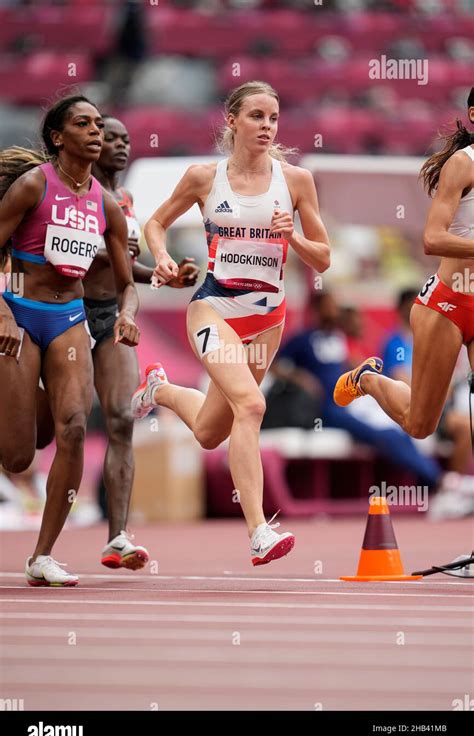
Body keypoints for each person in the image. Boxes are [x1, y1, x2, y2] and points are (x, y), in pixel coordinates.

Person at [132, 80, 331, 565]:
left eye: (274, 118)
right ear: (232, 121)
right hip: (214, 308)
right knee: (252, 404)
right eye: (257, 116)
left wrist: (296, 240)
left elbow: (323, 258)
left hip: (267, 320)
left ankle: (157, 390)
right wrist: (160, 258)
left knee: (208, 432)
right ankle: (259, 530)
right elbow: (155, 223)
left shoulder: (296, 181)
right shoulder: (205, 177)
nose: (267, 126)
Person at [0, 95, 140, 586]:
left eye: (99, 123)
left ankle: (42, 556)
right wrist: (1, 310)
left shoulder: (106, 203)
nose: (96, 131)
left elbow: (126, 282)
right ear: (59, 138)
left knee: (76, 428)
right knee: (17, 456)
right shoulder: (33, 185)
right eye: (83, 123)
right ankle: (23, 395)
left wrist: (126, 314)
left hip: (68, 319)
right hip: (19, 313)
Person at [334, 88, 474, 517]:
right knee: (420, 424)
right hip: (447, 305)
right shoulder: (462, 163)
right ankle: (370, 381)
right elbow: (432, 238)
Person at [86, 114, 199, 570]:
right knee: (51, 432)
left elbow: (121, 266)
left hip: (114, 315)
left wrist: (161, 277)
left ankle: (117, 536)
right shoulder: (72, 193)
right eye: (108, 137)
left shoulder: (126, 199)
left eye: (125, 139)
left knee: (120, 420)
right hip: (65, 313)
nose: (118, 145)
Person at [272, 291, 447, 492]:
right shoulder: (303, 338)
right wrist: (301, 378)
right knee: (386, 435)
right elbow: (276, 365)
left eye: (335, 306)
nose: (334, 310)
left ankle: (429, 480)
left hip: (352, 402)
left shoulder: (338, 338)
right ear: (318, 309)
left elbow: (350, 360)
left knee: (397, 429)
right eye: (330, 306)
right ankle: (438, 482)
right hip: (327, 408)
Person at [382, 288, 473, 479]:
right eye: (409, 307)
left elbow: (447, 376)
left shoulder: (431, 338)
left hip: (441, 403)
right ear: (401, 310)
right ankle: (451, 485)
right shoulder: (395, 343)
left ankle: (454, 483)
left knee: (468, 424)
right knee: (465, 427)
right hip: (417, 400)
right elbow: (399, 377)